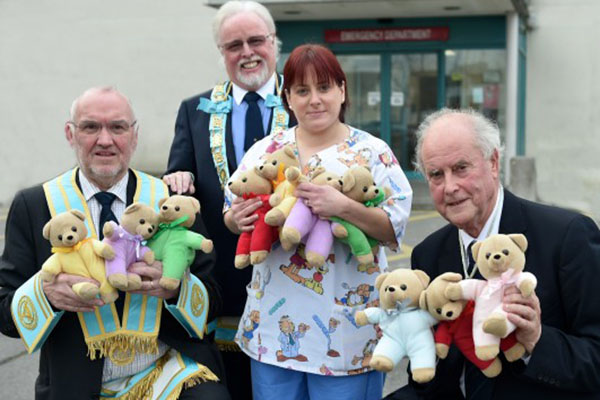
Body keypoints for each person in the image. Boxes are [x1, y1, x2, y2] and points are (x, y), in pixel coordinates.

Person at [0, 87, 231, 400]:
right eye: (91, 127)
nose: (105, 140)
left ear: (134, 136)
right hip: (76, 379)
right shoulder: (34, 205)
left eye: (118, 127)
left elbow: (214, 297)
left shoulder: (169, 201)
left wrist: (176, 290)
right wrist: (46, 294)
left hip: (170, 368)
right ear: (70, 134)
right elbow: (5, 312)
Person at [223, 44, 412, 400]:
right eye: (302, 90)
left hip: (347, 330)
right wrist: (236, 219)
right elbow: (232, 215)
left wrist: (343, 207)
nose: (315, 100)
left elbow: (393, 227)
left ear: (342, 90)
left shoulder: (372, 152)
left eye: (324, 87)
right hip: (274, 330)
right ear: (287, 98)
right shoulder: (265, 150)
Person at [388, 108, 600, 399]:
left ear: (493, 163)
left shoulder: (567, 236)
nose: (450, 187)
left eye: (461, 168)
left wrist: (536, 340)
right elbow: (428, 377)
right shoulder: (428, 254)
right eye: (436, 175)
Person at [163, 2, 295, 397]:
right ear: (222, 53)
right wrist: (176, 176)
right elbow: (178, 180)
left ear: (274, 43)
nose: (247, 52)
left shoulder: (304, 101)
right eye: (234, 45)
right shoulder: (195, 110)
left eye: (257, 40)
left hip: (296, 269)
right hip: (224, 273)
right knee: (233, 385)